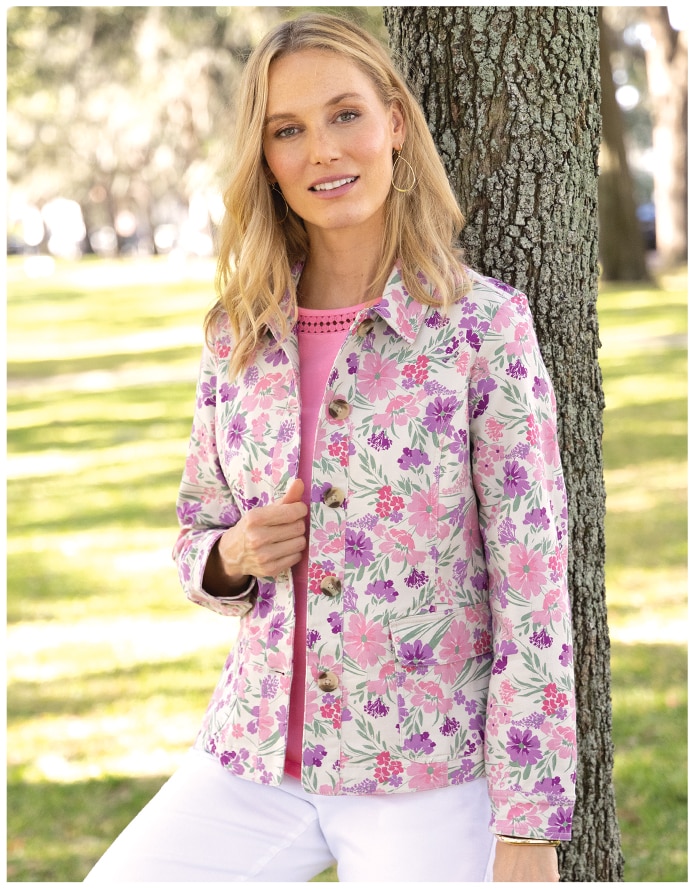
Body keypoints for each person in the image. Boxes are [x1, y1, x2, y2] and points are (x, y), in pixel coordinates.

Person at [85, 12, 576, 883]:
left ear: (394, 121)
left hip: (424, 768)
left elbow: (534, 583)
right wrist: (233, 555)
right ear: (266, 158)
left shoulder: (481, 328)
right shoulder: (239, 335)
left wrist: (530, 823)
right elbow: (198, 529)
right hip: (254, 755)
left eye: (345, 114)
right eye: (288, 130)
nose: (322, 150)